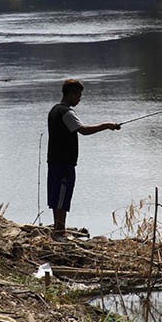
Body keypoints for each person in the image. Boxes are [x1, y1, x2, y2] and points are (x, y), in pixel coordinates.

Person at [47, 79, 120, 240]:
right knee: (62, 196)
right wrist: (107, 125)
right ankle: (60, 231)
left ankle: (59, 229)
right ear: (71, 93)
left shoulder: (54, 110)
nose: (79, 98)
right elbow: (84, 130)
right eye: (78, 95)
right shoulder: (67, 112)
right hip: (64, 163)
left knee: (56, 196)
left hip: (53, 161)